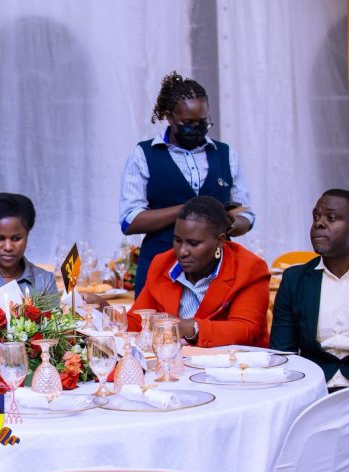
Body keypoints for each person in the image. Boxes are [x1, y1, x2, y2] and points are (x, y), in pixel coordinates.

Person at [119, 71, 256, 296]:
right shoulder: (144, 154)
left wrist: (228, 223)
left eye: (203, 123)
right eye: (188, 123)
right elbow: (129, 220)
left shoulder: (226, 154)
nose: (196, 128)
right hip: (161, 269)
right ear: (169, 117)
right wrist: (189, 210)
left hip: (218, 273)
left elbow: (247, 218)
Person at [126, 196, 270, 347]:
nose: (182, 251)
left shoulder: (248, 268)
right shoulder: (163, 264)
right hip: (177, 359)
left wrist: (191, 327)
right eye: (177, 240)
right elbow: (138, 322)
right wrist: (111, 317)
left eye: (193, 243)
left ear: (220, 241)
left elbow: (246, 329)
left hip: (236, 360)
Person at [271, 189, 349, 389]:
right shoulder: (294, 279)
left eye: (331, 218)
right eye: (316, 217)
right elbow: (282, 352)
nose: (319, 223)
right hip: (313, 387)